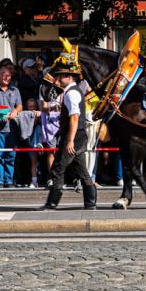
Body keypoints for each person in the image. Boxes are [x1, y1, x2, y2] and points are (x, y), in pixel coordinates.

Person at [43, 61, 97, 210]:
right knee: (82, 170)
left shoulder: (71, 93)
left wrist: (70, 141)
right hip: (77, 135)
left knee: (57, 168)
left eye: (60, 76)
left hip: (74, 136)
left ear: (69, 77)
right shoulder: (73, 91)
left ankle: (52, 203)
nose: (58, 79)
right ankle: (90, 203)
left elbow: (74, 117)